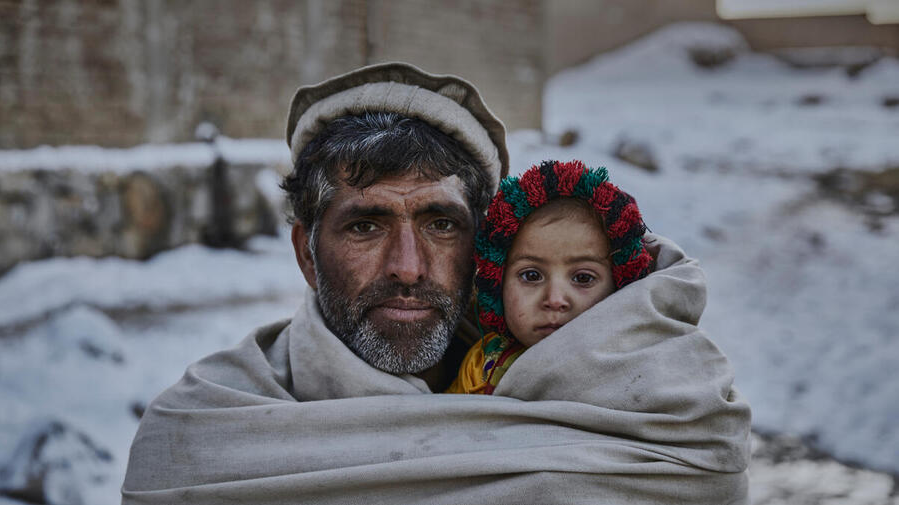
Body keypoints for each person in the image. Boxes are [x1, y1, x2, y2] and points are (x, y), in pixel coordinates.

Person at [122, 62, 751, 504]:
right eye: (365, 226)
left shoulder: (643, 412)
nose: (408, 266)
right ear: (306, 254)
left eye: (441, 224)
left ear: (484, 250)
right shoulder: (203, 436)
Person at [448, 160, 653, 394]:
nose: (555, 300)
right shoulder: (483, 365)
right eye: (531, 275)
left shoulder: (638, 365)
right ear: (497, 283)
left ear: (620, 286)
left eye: (583, 278)